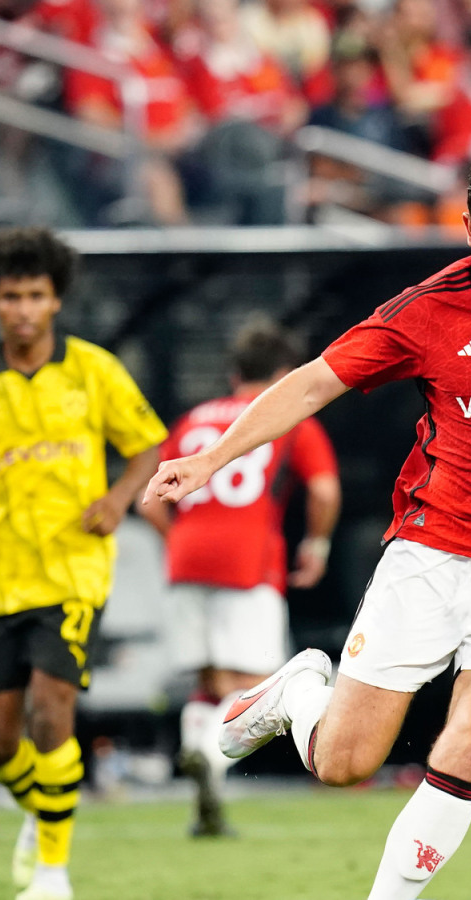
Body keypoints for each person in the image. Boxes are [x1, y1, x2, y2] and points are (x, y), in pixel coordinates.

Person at [144, 141, 471, 900]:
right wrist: (213, 457)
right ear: (468, 226)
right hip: (431, 557)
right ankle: (298, 694)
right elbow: (313, 383)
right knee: (343, 764)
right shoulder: (426, 311)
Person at [0, 227, 167, 900]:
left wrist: (118, 499)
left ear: (56, 299)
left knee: (51, 712)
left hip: (72, 573)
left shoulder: (94, 370)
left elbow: (146, 446)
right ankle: (42, 810)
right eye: (11, 297)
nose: (24, 309)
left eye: (36, 294)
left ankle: (53, 875)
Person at [141, 320, 341, 837]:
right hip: (248, 560)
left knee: (208, 682)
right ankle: (209, 757)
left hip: (186, 559)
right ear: (285, 374)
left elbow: (151, 498)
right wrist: (316, 546)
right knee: (256, 685)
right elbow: (323, 491)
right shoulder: (288, 415)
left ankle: (197, 767)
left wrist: (180, 540)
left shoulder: (193, 418)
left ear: (234, 373)